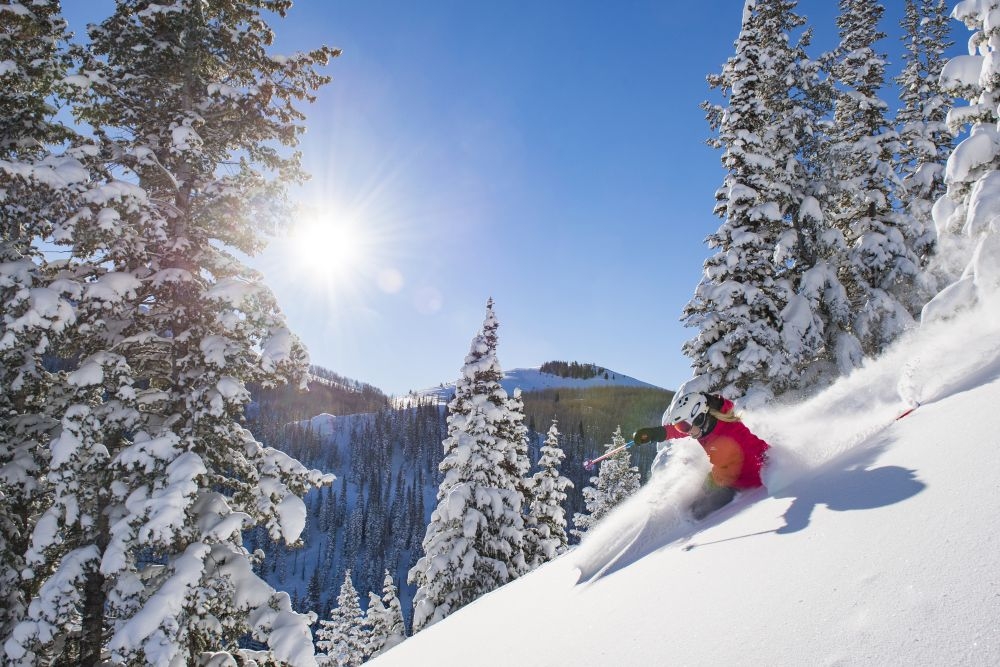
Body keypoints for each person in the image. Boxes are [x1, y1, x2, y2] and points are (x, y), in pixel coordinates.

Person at [632, 392, 770, 519]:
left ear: (699, 417)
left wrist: (718, 487)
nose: (685, 432)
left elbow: (754, 467)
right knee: (696, 503)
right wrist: (653, 433)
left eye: (683, 427)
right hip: (725, 476)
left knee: (698, 513)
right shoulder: (705, 424)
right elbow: (679, 431)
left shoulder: (729, 435)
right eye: (680, 427)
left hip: (746, 481)